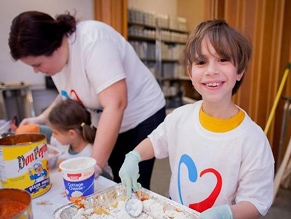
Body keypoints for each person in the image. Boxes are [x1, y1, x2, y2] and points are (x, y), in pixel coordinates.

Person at [119, 19, 274, 219]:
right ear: (190, 73)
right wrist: (134, 156)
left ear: (240, 70)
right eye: (201, 62)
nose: (211, 70)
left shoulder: (253, 140)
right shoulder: (180, 118)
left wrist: (224, 214)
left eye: (223, 59)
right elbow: (156, 141)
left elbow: (256, 201)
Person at [8, 11, 166, 189]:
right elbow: (68, 94)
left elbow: (116, 104)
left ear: (56, 47)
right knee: (112, 178)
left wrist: (94, 165)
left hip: (141, 114)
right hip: (108, 115)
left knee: (132, 181)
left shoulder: (93, 41)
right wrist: (41, 118)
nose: (36, 71)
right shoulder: (56, 62)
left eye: (37, 65)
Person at [47, 99, 113, 179]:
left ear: (72, 134)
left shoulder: (90, 155)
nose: (53, 136)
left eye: (56, 133)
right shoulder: (62, 145)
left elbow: (107, 179)